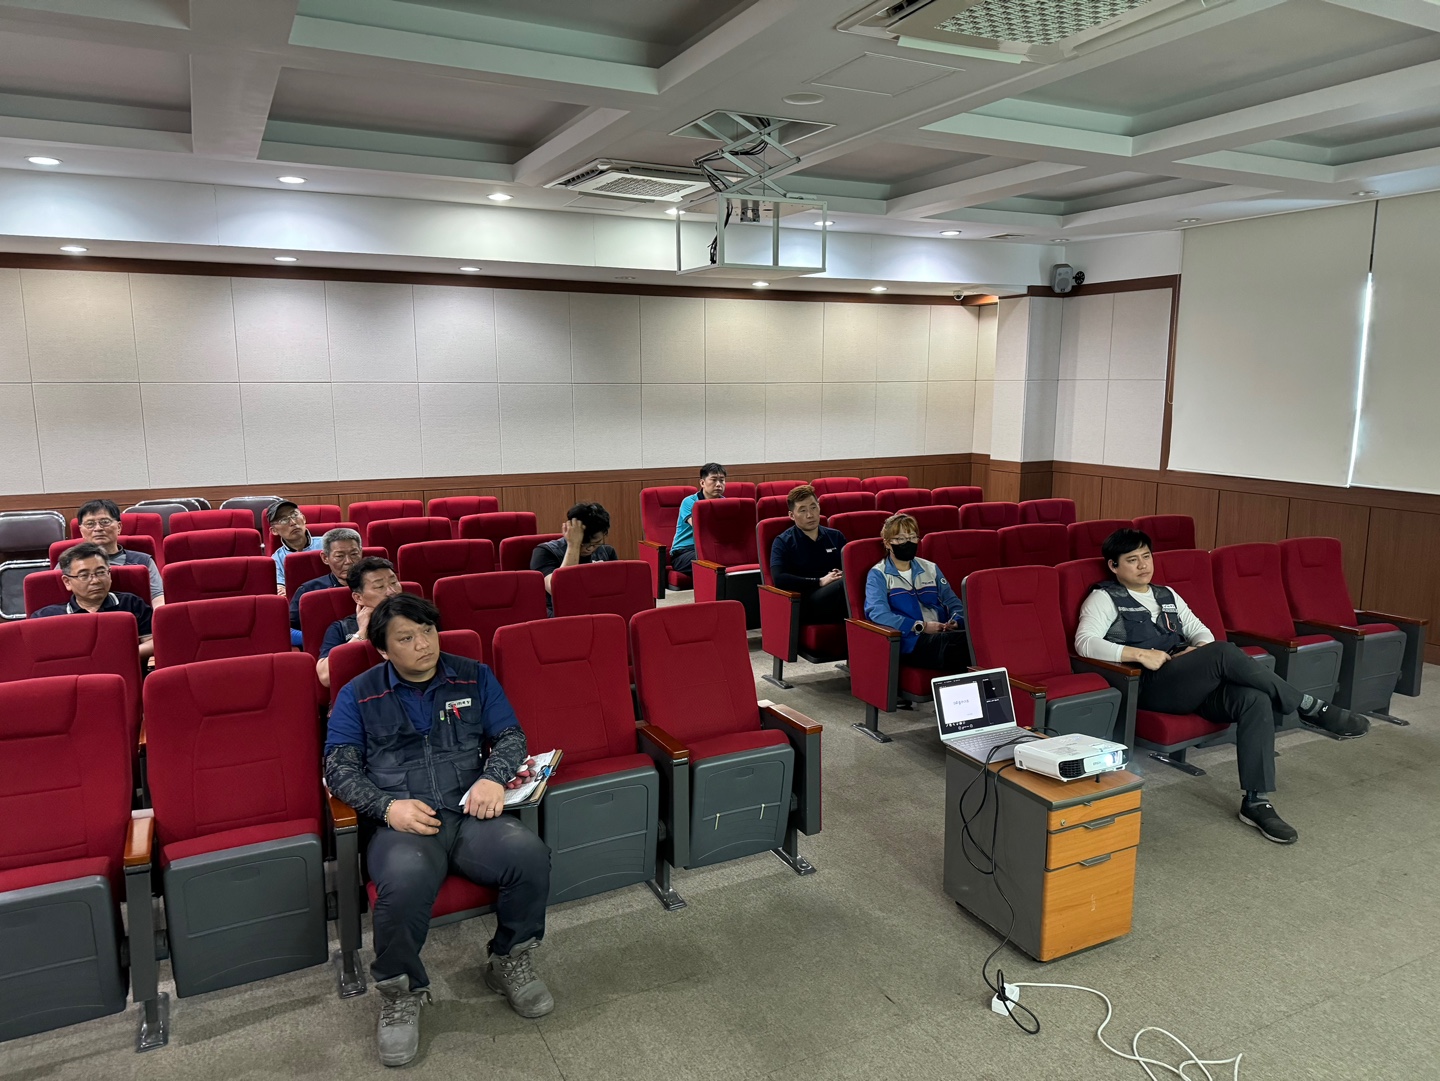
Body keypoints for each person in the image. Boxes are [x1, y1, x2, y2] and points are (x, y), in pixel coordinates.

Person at [324, 592, 553, 1068]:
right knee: (403, 884)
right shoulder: (359, 694)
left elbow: (510, 736)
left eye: (427, 631)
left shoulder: (473, 675)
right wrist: (387, 808)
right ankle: (401, 993)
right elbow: (338, 769)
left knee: (528, 854)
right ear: (383, 649)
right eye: (406, 638)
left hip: (469, 814)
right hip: (403, 824)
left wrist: (494, 777)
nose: (423, 644)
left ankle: (509, 958)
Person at [1075, 528, 1369, 845]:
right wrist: (1138, 654)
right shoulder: (1104, 598)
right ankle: (1308, 706)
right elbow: (1085, 642)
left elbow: (1203, 633)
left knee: (1254, 699)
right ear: (1114, 566)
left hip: (1187, 680)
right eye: (1132, 560)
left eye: (1146, 556)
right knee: (1224, 652)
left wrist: (1196, 651)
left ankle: (1256, 801)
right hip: (1149, 685)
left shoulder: (1167, 594)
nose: (1143, 565)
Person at [864, 513, 966, 670]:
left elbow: (952, 602)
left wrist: (956, 621)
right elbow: (878, 614)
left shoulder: (930, 568)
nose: (908, 542)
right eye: (900, 539)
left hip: (943, 632)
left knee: (977, 637)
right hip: (911, 640)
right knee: (964, 645)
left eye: (912, 537)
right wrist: (921, 626)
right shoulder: (878, 574)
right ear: (888, 543)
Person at [34, 542, 154, 662]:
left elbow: (152, 641)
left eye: (101, 572)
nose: (95, 581)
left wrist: (119, 656)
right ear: (67, 582)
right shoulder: (46, 617)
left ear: (109, 574)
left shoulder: (131, 603)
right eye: (84, 575)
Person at [316, 556, 403, 688]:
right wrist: (362, 633)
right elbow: (326, 677)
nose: (392, 591)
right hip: (362, 694)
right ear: (358, 598)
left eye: (394, 582)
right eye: (379, 586)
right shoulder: (342, 628)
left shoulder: (421, 617)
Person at [769, 485, 847, 624]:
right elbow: (779, 578)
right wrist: (819, 581)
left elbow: (849, 568)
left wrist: (842, 573)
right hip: (806, 599)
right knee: (845, 585)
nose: (810, 515)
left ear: (819, 507)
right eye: (803, 510)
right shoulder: (783, 541)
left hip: (836, 593)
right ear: (791, 515)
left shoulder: (836, 536)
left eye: (813, 507)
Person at [530, 502, 617, 612]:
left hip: (598, 610)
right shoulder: (545, 552)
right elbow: (559, 589)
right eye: (583, 544)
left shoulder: (607, 552)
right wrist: (574, 545)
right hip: (562, 614)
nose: (589, 548)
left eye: (596, 543)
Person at [75, 499, 163, 604]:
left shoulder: (143, 561)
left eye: (105, 522)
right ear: (81, 531)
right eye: (90, 524)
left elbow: (158, 598)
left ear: (119, 527)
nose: (98, 528)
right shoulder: (69, 562)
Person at [289, 527, 364, 645]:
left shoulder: (375, 585)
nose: (349, 561)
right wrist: (324, 639)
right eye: (340, 556)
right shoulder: (308, 591)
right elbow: (286, 630)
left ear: (361, 553)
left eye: (354, 554)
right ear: (325, 558)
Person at [668, 463, 727, 577]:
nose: (718, 484)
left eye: (722, 480)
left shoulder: (726, 503)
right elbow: (700, 527)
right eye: (714, 480)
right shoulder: (689, 502)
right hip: (684, 553)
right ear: (702, 483)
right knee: (714, 559)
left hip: (712, 550)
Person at [268, 500, 324, 594]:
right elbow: (280, 589)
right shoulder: (276, 560)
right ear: (274, 531)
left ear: (304, 518)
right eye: (283, 520)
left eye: (294, 515)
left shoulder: (328, 544)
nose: (293, 522)